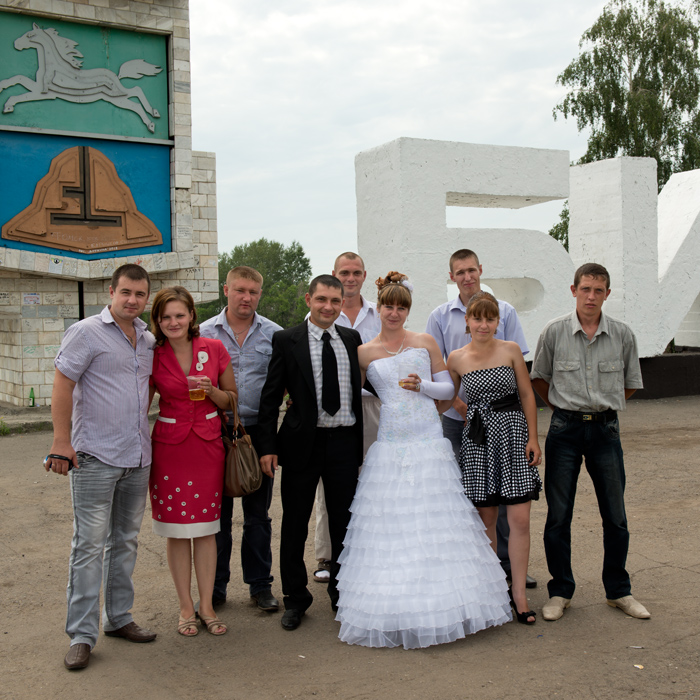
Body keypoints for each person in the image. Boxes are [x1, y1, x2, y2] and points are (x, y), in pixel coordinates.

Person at [335, 272, 511, 649]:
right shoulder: (363, 352)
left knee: (437, 522)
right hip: (390, 444)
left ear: (407, 309)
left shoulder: (426, 341)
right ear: (378, 308)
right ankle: (394, 607)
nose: (394, 313)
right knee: (393, 525)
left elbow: (450, 389)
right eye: (388, 306)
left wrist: (423, 386)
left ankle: (449, 606)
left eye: (401, 307)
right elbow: (351, 393)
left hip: (429, 440)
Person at [46, 264, 157, 671]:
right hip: (93, 455)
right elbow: (63, 382)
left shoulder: (147, 339)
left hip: (137, 456)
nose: (132, 300)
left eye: (140, 294)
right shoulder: (86, 331)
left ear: (147, 297)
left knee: (125, 541)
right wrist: (62, 442)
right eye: (125, 292)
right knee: (89, 545)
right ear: (111, 292)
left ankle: (120, 618)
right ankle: (81, 634)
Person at [530, 263, 650, 621]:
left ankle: (619, 591)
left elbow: (629, 383)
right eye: (585, 289)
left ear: (607, 294)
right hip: (564, 432)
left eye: (599, 291)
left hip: (605, 432)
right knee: (558, 516)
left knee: (615, 516)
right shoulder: (554, 332)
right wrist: (564, 409)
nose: (591, 297)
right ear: (573, 290)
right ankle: (560, 592)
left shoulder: (623, 335)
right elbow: (540, 378)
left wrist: (600, 410)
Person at [257, 275, 364, 631]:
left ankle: (341, 593)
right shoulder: (286, 340)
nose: (329, 307)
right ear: (308, 299)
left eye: (335, 300)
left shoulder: (352, 339)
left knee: (343, 524)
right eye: (322, 299)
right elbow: (270, 397)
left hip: (344, 446)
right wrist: (267, 448)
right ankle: (295, 599)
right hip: (302, 446)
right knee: (294, 525)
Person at [425, 248, 536, 588]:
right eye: (460, 272)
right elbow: (439, 370)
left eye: (471, 270)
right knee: (473, 495)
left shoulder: (507, 311)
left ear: (480, 270)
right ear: (452, 276)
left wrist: (527, 431)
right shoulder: (440, 316)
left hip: (503, 420)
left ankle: (507, 564)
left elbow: (518, 373)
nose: (467, 276)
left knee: (508, 497)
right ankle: (475, 568)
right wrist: (460, 407)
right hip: (461, 422)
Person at [446, 292, 542, 625]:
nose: (483, 324)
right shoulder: (456, 358)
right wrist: (468, 411)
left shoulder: (511, 350)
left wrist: (533, 437)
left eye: (490, 318)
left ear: (498, 321)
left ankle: (518, 594)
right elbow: (447, 397)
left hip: (515, 437)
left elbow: (527, 393)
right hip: (479, 443)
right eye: (477, 318)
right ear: (467, 321)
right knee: (485, 520)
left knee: (519, 521)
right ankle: (490, 593)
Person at [148, 286, 236, 637]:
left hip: (207, 448)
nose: (173, 322)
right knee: (176, 531)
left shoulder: (213, 348)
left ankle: (207, 605)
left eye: (179, 315)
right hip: (169, 450)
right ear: (157, 320)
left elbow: (231, 399)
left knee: (205, 530)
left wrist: (211, 391)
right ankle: (185, 606)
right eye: (166, 317)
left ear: (191, 317)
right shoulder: (151, 355)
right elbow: (141, 402)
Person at [200, 266, 282, 613]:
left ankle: (260, 586)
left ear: (259, 295)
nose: (246, 297)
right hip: (211, 430)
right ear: (226, 290)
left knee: (258, 517)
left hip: (258, 432)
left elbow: (284, 383)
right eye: (240, 290)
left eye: (253, 292)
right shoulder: (203, 333)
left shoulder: (275, 335)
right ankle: (215, 588)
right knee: (216, 517)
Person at [312, 252, 381, 583]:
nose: (350, 278)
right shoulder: (325, 312)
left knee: (375, 479)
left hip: (374, 407)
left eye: (356, 272)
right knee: (331, 484)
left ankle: (370, 548)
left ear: (364, 276)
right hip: (336, 411)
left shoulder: (379, 314)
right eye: (344, 272)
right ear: (334, 274)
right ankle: (326, 555)